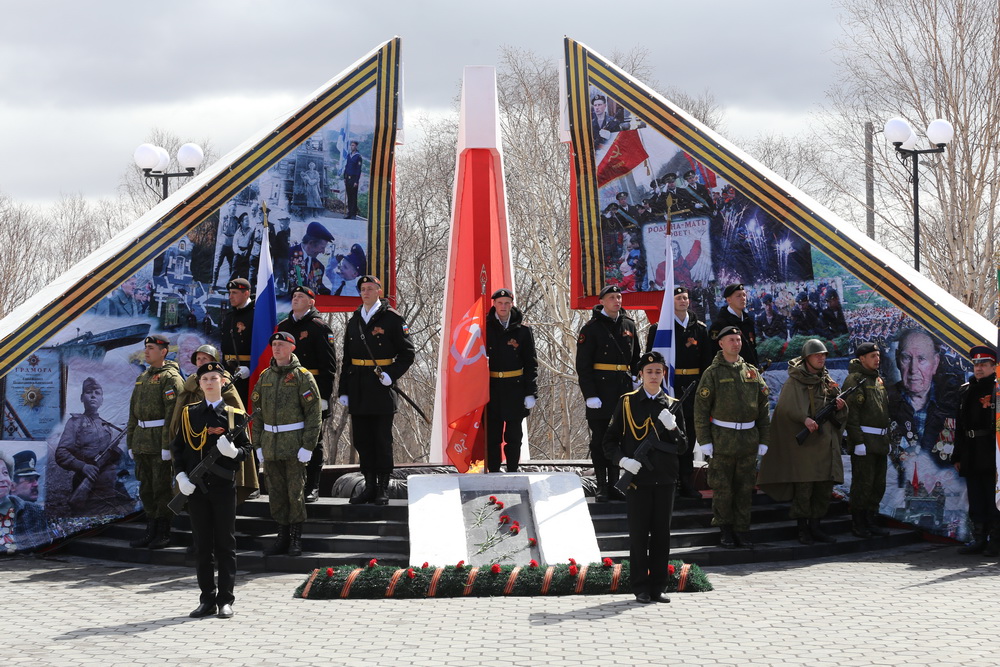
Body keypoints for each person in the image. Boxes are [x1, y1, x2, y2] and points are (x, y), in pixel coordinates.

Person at [604, 351, 687, 604]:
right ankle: (640, 587)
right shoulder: (627, 402)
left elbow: (683, 447)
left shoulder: (672, 405)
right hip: (637, 481)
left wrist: (672, 427)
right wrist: (623, 461)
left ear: (664, 374)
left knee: (662, 535)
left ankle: (658, 587)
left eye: (658, 371)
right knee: (639, 535)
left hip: (665, 479)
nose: (654, 376)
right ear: (640, 374)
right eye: (649, 371)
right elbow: (609, 442)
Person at [172, 362, 253, 619]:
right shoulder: (188, 414)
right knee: (202, 546)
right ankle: (206, 599)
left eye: (214, 378)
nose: (209, 382)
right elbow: (178, 449)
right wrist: (181, 475)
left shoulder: (234, 415)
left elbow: (247, 451)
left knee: (226, 544)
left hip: (222, 488)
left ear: (222, 382)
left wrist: (234, 452)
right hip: (196, 489)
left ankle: (225, 600)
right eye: (204, 378)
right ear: (199, 383)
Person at [758, 339, 847, 544]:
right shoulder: (795, 381)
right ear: (807, 358)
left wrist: (841, 406)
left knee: (823, 488)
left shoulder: (826, 380)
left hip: (825, 443)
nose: (821, 358)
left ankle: (816, 527)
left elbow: (836, 408)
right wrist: (803, 418)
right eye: (817, 355)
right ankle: (802, 529)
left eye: (823, 355)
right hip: (805, 446)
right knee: (804, 489)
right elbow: (786, 409)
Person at [338, 275, 416, 504]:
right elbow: (347, 359)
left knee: (382, 439)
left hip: (381, 386)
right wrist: (344, 389)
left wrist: (391, 374)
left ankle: (382, 487)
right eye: (362, 289)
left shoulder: (392, 319)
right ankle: (369, 485)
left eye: (370, 288)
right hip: (358, 386)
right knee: (362, 440)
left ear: (379, 291)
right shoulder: (354, 320)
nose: (366, 292)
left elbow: (408, 354)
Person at [694, 325, 771, 548]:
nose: (736, 343)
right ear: (721, 344)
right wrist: (705, 440)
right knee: (723, 488)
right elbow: (701, 409)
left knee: (745, 488)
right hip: (722, 439)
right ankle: (725, 530)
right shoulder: (713, 373)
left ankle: (742, 529)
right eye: (731, 340)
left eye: (738, 339)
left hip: (748, 439)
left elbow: (763, 408)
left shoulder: (751, 372)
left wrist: (764, 440)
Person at [252, 332, 322, 557]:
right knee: (276, 494)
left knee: (295, 493)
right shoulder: (265, 376)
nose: (276, 348)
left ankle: (295, 539)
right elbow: (258, 413)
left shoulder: (302, 376)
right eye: (274, 344)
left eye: (281, 345)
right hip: (271, 445)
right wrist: (258, 445)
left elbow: (313, 414)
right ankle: (281, 537)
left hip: (294, 446)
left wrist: (308, 446)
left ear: (292, 348)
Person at [645, 286, 713, 498]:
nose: (683, 301)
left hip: (692, 386)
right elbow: (651, 361)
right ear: (670, 302)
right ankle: (668, 481)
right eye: (678, 298)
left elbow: (707, 362)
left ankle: (686, 481)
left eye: (685, 297)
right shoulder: (660, 328)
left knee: (688, 435)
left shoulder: (700, 329)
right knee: (667, 434)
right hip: (668, 387)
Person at [168, 345, 258, 504]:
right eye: (198, 359)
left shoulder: (226, 383)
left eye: (205, 358)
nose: (200, 361)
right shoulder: (190, 382)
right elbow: (178, 414)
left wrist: (233, 451)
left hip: (221, 458)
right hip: (194, 445)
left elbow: (236, 413)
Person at [576, 284, 641, 502]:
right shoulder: (591, 328)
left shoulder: (628, 324)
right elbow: (583, 365)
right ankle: (602, 486)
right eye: (612, 297)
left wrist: (635, 377)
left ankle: (616, 484)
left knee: (620, 439)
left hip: (623, 390)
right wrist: (590, 394)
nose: (617, 301)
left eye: (619, 297)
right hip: (600, 393)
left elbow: (636, 357)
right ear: (602, 301)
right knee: (600, 440)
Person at [277, 286, 337, 502]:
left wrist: (323, 398)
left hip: (311, 392)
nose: (295, 299)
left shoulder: (319, 327)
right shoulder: (283, 326)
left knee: (313, 440)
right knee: (288, 439)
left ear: (311, 302)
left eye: (301, 296)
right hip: (287, 392)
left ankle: (312, 486)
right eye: (293, 296)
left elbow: (329, 367)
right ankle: (292, 486)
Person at [126, 335, 184, 549]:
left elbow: (173, 415)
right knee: (147, 488)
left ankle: (163, 531)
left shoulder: (171, 378)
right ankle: (150, 530)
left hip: (158, 441)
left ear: (163, 352)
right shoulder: (142, 377)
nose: (147, 352)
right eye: (146, 348)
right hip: (142, 441)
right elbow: (133, 413)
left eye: (151, 348)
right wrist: (131, 441)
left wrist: (167, 446)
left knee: (162, 488)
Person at [886, 328, 961, 464]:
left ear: (935, 362)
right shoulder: (885, 399)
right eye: (906, 358)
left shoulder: (952, 401)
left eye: (921, 359)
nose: (913, 369)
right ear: (897, 360)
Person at [841, 342, 891, 539]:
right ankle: (858, 523)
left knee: (878, 484)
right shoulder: (855, 380)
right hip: (865, 442)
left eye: (878, 355)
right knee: (863, 484)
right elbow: (851, 414)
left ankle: (871, 520)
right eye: (872, 356)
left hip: (880, 441)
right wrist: (858, 441)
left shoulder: (877, 380)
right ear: (862, 359)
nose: (877, 359)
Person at [484, 289, 538, 473]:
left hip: (515, 388)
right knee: (493, 435)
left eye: (507, 303)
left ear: (512, 304)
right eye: (500, 303)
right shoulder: (484, 328)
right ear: (494, 304)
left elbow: (531, 363)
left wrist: (531, 392)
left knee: (514, 435)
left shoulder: (523, 331)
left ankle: (513, 470)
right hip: (491, 388)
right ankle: (493, 470)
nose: (503, 307)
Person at [54, 377, 125, 515]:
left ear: (102, 400)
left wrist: (117, 453)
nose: (93, 395)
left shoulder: (107, 426)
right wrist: (83, 466)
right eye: (88, 392)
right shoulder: (75, 422)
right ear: (82, 398)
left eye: (97, 393)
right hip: (88, 495)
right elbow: (61, 453)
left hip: (110, 493)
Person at [952, 345, 998, 555]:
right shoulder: (967, 389)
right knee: (976, 498)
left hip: (991, 450)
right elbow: (960, 425)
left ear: (994, 366)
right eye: (976, 364)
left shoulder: (996, 390)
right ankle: (979, 538)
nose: (978, 369)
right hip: (971, 450)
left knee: (993, 497)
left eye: (984, 364)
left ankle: (995, 541)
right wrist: (958, 454)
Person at [0, 452, 49, 553]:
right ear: (13, 486)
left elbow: (42, 548)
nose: (3, 479)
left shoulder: (34, 512)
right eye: (29, 480)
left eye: (5, 473)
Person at [219, 278, 254, 407]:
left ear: (246, 294)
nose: (230, 297)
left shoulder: (256, 315)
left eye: (234, 293)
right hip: (228, 371)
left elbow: (262, 348)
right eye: (229, 293)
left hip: (246, 373)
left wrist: (250, 367)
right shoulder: (229, 317)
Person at [708, 283, 759, 368]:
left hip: (749, 372)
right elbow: (712, 352)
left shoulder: (748, 321)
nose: (743, 298)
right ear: (729, 300)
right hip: (729, 373)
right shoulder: (720, 324)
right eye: (738, 296)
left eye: (744, 295)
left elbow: (752, 348)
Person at [288, 221, 334, 296]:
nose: (323, 252)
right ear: (311, 243)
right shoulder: (288, 256)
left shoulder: (319, 266)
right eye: (322, 247)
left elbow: (318, 287)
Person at [343, 141, 363, 219]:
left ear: (356, 147)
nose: (352, 147)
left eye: (353, 145)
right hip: (348, 177)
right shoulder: (349, 155)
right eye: (351, 145)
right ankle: (349, 213)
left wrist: (356, 181)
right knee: (349, 196)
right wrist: (344, 177)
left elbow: (358, 170)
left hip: (354, 179)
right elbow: (347, 166)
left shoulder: (358, 157)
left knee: (353, 196)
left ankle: (353, 214)